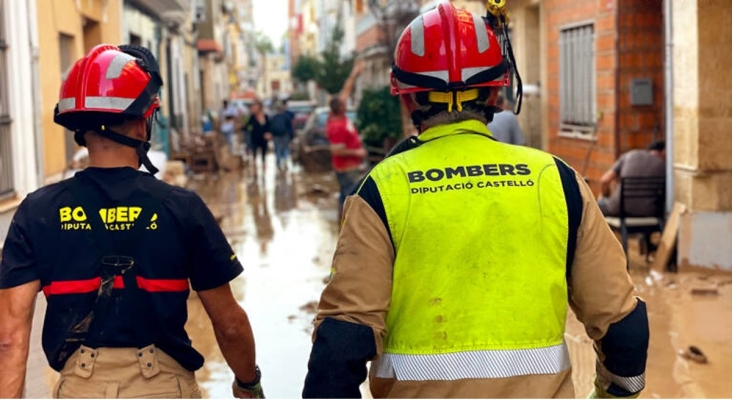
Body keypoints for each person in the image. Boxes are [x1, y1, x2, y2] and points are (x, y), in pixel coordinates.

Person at [303, 4, 648, 399]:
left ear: (407, 100)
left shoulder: (381, 189)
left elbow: (338, 351)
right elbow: (625, 329)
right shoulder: (556, 179)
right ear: (496, 94)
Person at [0, 44, 264, 399]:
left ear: (81, 128)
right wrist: (248, 383)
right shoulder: (182, 208)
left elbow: (10, 338)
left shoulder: (37, 211)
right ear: (142, 125)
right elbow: (229, 325)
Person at [326, 61, 367, 219]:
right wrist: (357, 151)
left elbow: (346, 91)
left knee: (346, 194)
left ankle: (343, 222)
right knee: (349, 197)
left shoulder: (336, 116)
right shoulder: (337, 126)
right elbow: (336, 150)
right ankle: (346, 223)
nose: (346, 104)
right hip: (346, 168)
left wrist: (354, 73)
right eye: (343, 104)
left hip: (350, 166)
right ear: (340, 108)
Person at [598, 140, 666, 217]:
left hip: (620, 209)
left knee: (597, 206)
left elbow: (605, 180)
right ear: (663, 152)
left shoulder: (629, 155)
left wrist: (603, 196)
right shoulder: (664, 167)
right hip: (648, 211)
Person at [243, 99, 271, 173]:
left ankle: (263, 164)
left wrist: (269, 133)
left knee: (263, 152)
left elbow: (269, 126)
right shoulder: (252, 117)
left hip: (264, 138)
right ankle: (255, 166)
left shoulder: (265, 116)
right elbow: (247, 126)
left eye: (256, 106)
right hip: (254, 137)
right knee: (254, 151)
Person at [269, 101, 294, 170]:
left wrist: (271, 134)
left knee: (277, 149)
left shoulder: (273, 117)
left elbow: (270, 126)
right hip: (285, 135)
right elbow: (290, 126)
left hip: (276, 135)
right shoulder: (286, 116)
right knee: (285, 148)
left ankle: (278, 163)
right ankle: (285, 160)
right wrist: (291, 135)